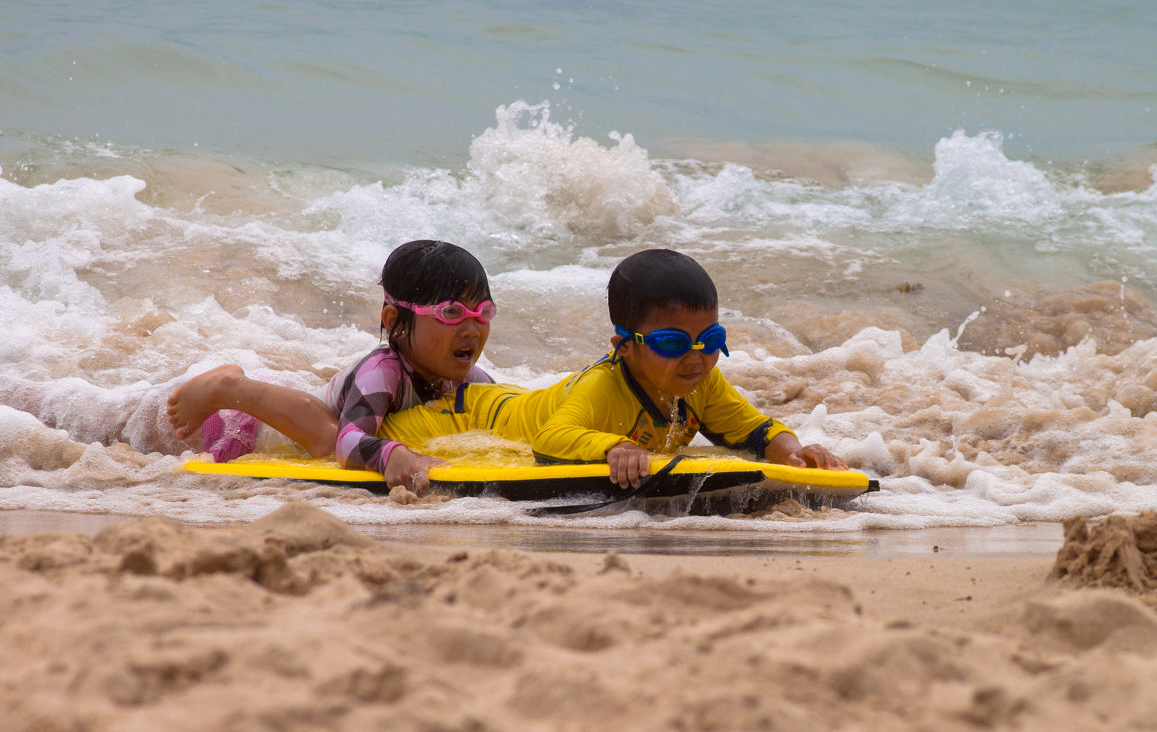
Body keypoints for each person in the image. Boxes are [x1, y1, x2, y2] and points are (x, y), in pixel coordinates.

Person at [376, 248, 846, 488]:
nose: (697, 355)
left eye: (711, 340)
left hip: (516, 405)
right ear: (624, 346)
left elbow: (754, 429)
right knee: (371, 431)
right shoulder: (603, 386)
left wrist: (794, 451)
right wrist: (612, 448)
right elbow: (549, 440)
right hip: (469, 414)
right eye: (672, 342)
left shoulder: (702, 379)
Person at [166, 240, 495, 490]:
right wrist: (391, 454)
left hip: (300, 404)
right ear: (395, 322)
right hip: (254, 425)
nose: (472, 327)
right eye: (452, 313)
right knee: (330, 441)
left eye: (483, 312)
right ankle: (227, 387)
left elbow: (507, 414)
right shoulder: (384, 370)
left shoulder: (472, 381)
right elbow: (348, 443)